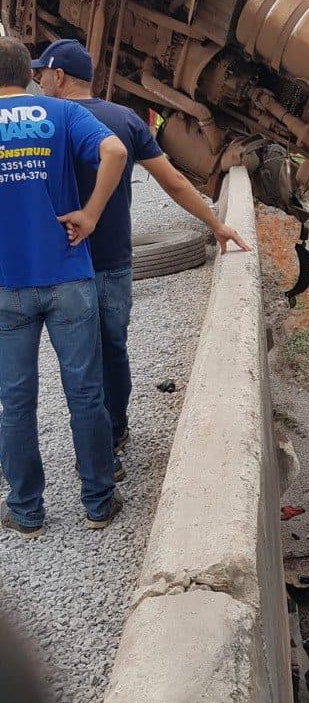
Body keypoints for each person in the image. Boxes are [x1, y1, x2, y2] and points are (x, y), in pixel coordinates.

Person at [35, 39, 250, 464]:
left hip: (63, 264)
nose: (40, 80)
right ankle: (115, 431)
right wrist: (216, 224)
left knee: (81, 363)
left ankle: (95, 455)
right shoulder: (125, 119)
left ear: (58, 77)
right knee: (113, 349)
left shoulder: (47, 121)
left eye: (43, 73)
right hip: (114, 261)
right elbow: (172, 182)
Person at [0, 37, 127, 536]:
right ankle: (98, 503)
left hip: (8, 283)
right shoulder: (58, 111)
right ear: (28, 74)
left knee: (17, 400)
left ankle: (26, 510)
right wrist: (91, 215)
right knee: (85, 393)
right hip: (70, 275)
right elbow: (114, 150)